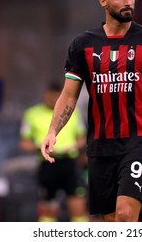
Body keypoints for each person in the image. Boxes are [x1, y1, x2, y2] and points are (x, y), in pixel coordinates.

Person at [40, 0, 142, 222]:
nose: (128, 2)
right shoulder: (83, 45)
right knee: (110, 222)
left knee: (125, 215)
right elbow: (69, 96)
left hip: (139, 142)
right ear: (103, 1)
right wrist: (52, 131)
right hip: (101, 145)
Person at [19, 82, 89, 222]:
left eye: (57, 96)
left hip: (70, 163)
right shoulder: (32, 114)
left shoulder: (72, 113)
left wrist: (74, 146)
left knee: (78, 206)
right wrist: (40, 147)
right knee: (49, 209)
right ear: (45, 95)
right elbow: (24, 143)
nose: (54, 99)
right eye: (51, 95)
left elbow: (82, 138)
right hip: (47, 163)